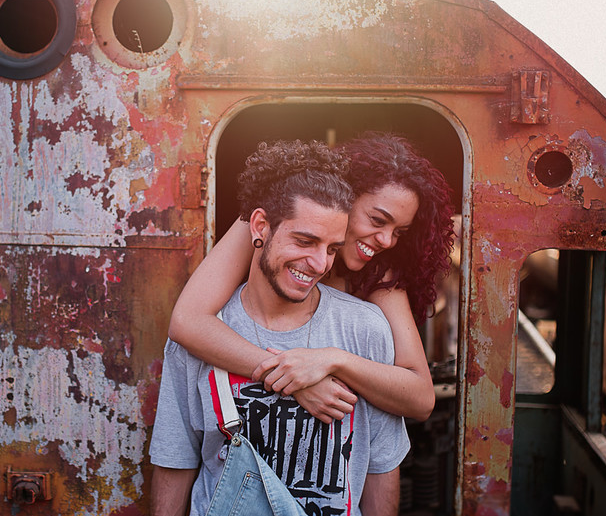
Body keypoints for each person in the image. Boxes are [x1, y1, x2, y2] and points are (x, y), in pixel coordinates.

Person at [148, 140, 410, 516]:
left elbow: (382, 464)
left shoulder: (365, 331)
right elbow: (175, 457)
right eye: (306, 241)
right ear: (261, 227)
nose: (318, 263)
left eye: (331, 248)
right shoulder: (202, 337)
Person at [168, 131, 455, 424]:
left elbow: (420, 398)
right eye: (378, 220)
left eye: (399, 232)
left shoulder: (378, 274)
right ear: (346, 195)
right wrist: (295, 381)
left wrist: (333, 360)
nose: (386, 240)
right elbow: (187, 321)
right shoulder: (266, 226)